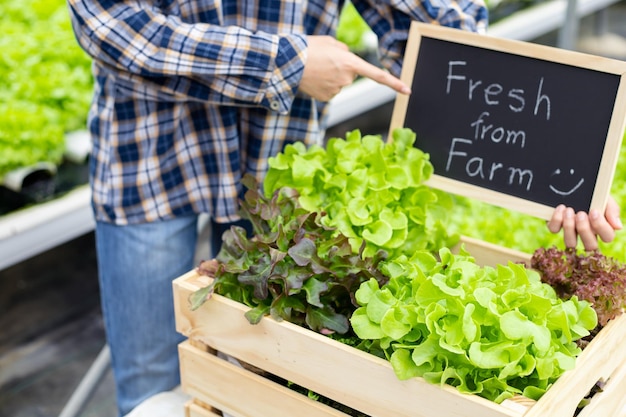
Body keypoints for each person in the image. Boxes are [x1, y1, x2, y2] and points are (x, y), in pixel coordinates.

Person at [65, 1, 619, 415]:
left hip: (277, 172)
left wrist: (557, 153)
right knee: (150, 388)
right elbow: (107, 24)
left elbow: (421, 13)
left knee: (254, 384)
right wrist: (283, 61)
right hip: (149, 158)